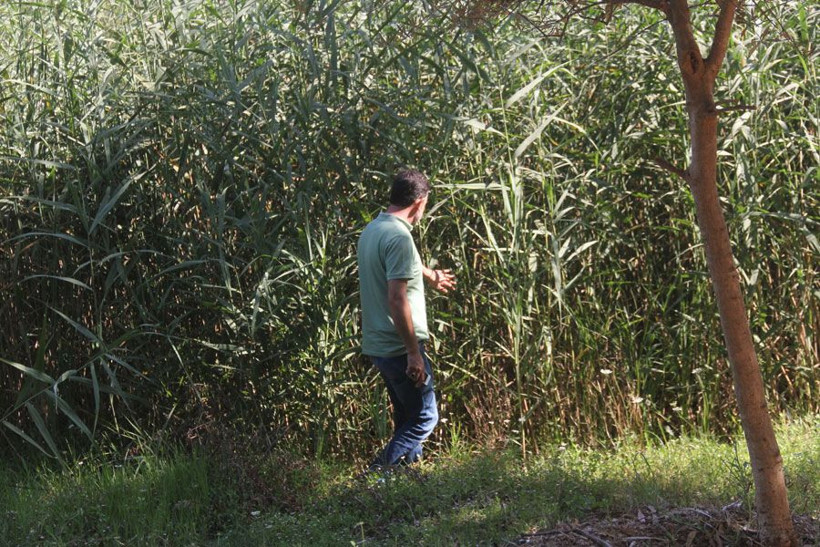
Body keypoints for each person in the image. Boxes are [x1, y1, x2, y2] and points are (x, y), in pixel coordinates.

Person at [357, 169, 456, 468]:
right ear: (420, 202)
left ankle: (406, 479)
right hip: (399, 346)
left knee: (407, 417)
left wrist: (430, 274)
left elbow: (400, 261)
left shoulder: (374, 229)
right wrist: (414, 353)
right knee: (425, 417)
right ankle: (376, 472)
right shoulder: (400, 237)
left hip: (378, 345)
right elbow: (397, 298)